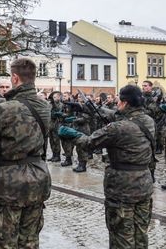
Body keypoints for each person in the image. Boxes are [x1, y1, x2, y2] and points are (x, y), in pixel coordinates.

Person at [59, 85, 154, 248]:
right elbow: (116, 116)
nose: (116, 104)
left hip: (122, 187)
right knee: (140, 232)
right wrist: (88, 107)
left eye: (118, 101)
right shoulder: (147, 120)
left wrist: (73, 134)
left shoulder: (117, 128)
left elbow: (90, 142)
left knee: (121, 235)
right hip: (144, 183)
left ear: (124, 103)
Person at [0, 58, 51, 249]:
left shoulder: (4, 109)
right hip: (38, 181)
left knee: (4, 242)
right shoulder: (45, 107)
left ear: (15, 78)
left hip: (8, 185)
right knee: (30, 242)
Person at [142, 81, 164, 154]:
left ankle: (158, 147)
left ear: (150, 87)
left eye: (145, 86)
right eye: (143, 86)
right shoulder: (142, 96)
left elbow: (155, 108)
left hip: (157, 118)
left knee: (157, 134)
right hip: (145, 119)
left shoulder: (155, 95)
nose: (143, 87)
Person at [47, 91, 64, 162]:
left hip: (56, 125)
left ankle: (57, 156)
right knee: (51, 141)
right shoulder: (50, 104)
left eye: (54, 97)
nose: (53, 99)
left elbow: (58, 109)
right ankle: (54, 155)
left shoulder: (61, 104)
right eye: (53, 97)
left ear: (59, 97)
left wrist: (53, 103)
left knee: (56, 141)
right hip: (50, 125)